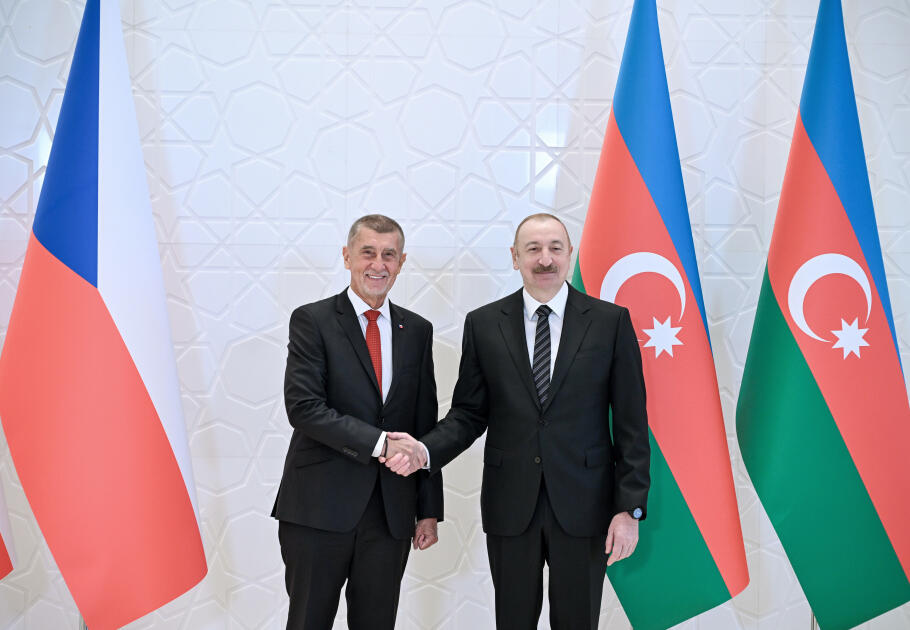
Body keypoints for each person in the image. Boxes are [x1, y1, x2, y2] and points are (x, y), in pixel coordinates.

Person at [385, 213, 650, 629]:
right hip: (510, 505)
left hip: (586, 506)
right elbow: (468, 414)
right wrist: (424, 449)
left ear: (569, 254)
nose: (545, 259)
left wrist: (629, 509)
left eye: (555, 248)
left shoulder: (610, 322)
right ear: (514, 257)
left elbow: (632, 424)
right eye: (533, 249)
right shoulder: (484, 324)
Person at [272, 214, 443, 630]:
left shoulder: (417, 330)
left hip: (390, 513)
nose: (378, 264)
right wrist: (381, 443)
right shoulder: (312, 320)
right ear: (347, 257)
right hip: (318, 510)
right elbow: (304, 408)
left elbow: (424, 422)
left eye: (389, 255)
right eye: (368, 253)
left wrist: (428, 509)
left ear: (401, 262)